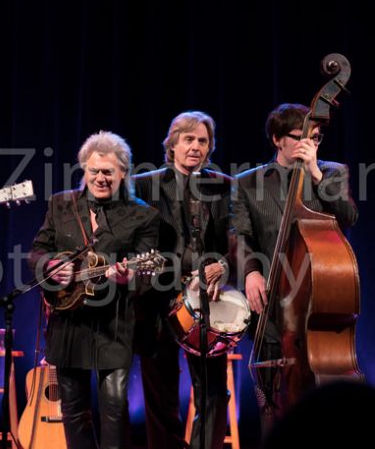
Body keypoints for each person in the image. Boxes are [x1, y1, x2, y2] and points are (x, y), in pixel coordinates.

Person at [28, 131, 160, 449]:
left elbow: (149, 274)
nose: (100, 178)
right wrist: (48, 266)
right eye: (94, 171)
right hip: (68, 324)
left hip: (114, 327)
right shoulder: (61, 204)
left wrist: (129, 278)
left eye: (108, 173)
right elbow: (36, 252)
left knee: (114, 410)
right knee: (73, 411)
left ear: (123, 174)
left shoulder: (143, 215)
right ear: (84, 170)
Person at [230, 103, 359, 428]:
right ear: (277, 139)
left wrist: (315, 173)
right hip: (276, 305)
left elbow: (349, 217)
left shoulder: (332, 172)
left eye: (316, 137)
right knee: (276, 404)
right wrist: (251, 272)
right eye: (302, 137)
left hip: (321, 298)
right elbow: (241, 235)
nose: (311, 144)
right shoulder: (248, 182)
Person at [133, 111, 233, 449]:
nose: (195, 147)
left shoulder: (222, 186)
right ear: (172, 144)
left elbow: (236, 238)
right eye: (188, 139)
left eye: (202, 141)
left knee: (214, 390)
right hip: (156, 300)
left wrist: (222, 263)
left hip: (207, 302)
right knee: (160, 393)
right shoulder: (145, 184)